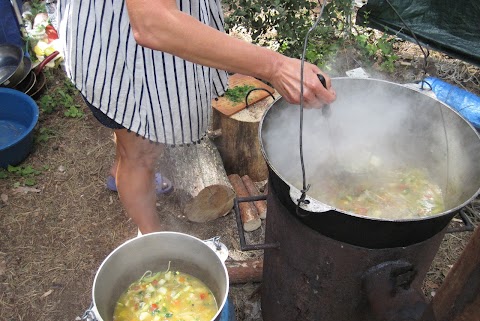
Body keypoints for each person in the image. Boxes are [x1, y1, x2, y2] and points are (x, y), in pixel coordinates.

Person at [56, 0, 336, 235]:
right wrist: (275, 66)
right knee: (140, 156)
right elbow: (154, 23)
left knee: (130, 144)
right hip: (122, 50)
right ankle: (154, 242)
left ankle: (123, 171)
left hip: (137, 34)